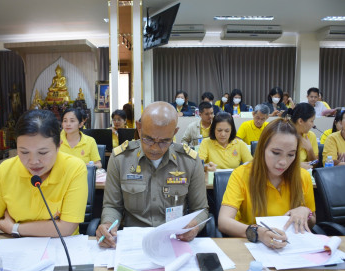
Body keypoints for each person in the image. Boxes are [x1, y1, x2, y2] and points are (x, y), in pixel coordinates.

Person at [0, 110, 88, 255]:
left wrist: (15, 228)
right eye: (24, 152)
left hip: (61, 249)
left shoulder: (74, 168)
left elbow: (65, 228)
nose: (33, 161)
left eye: (43, 152)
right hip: (15, 249)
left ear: (58, 145)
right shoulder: (6, 170)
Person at [96, 102, 209, 248]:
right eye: (148, 139)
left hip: (174, 241)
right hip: (134, 242)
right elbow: (112, 206)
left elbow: (200, 210)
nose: (155, 148)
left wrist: (194, 226)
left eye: (164, 141)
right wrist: (108, 225)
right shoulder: (120, 159)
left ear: (174, 132)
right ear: (139, 127)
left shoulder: (189, 161)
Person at [218, 118, 316, 248]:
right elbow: (224, 222)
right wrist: (258, 232)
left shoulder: (302, 176)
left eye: (291, 154)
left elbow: (313, 221)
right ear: (262, 148)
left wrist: (305, 212)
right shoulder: (242, 174)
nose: (283, 162)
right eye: (276, 153)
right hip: (252, 246)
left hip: (290, 247)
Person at [287, 103, 318, 169]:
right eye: (311, 121)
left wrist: (309, 150)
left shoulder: (310, 136)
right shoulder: (284, 134)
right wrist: (297, 166)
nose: (313, 125)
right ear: (300, 121)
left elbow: (315, 164)